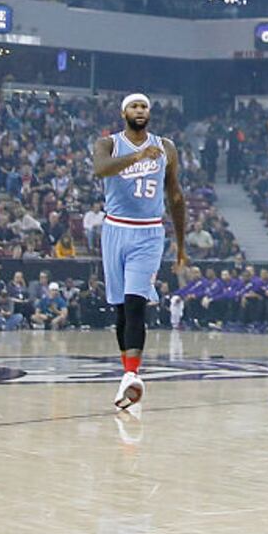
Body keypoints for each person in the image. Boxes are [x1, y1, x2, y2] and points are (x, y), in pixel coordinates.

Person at [92, 94, 187, 412]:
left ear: (150, 112)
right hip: (115, 229)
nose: (140, 111)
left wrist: (181, 245)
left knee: (135, 303)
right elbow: (101, 169)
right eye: (134, 106)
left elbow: (175, 195)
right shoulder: (108, 144)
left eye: (144, 106)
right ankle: (126, 376)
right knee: (120, 309)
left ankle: (133, 374)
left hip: (148, 232)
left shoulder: (166, 147)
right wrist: (137, 157)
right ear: (123, 113)